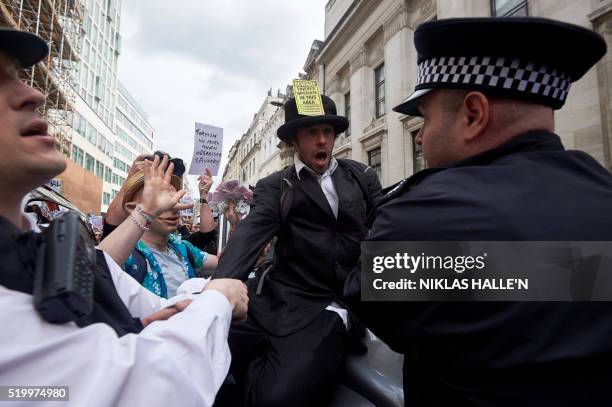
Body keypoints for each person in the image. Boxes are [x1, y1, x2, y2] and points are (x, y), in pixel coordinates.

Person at [344, 17, 612, 406]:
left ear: (473, 114)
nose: (420, 136)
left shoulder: (427, 217)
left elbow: (368, 297)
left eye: (426, 118)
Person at [0, 28, 248, 406]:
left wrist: (141, 326)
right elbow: (147, 387)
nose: (34, 94)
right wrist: (217, 299)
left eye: (18, 76)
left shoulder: (42, 244)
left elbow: (114, 282)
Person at [213, 94, 383, 406]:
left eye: (328, 132)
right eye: (311, 133)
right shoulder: (275, 186)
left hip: (329, 308)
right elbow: (248, 237)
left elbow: (389, 233)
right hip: (276, 298)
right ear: (294, 140)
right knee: (203, 344)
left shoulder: (363, 177)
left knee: (276, 398)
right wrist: (216, 293)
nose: (322, 140)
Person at [100, 157, 219, 298]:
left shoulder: (183, 249)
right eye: (159, 198)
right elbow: (95, 270)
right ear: (133, 208)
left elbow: (219, 256)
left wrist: (204, 195)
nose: (172, 206)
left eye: (175, 198)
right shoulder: (126, 254)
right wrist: (146, 211)